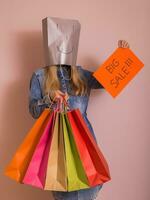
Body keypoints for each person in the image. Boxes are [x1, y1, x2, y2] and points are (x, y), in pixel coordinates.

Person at [29, 39, 129, 200]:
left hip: (86, 146)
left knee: (91, 188)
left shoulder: (81, 74)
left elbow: (106, 81)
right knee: (66, 191)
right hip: (59, 148)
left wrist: (121, 56)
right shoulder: (40, 76)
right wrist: (49, 98)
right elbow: (33, 110)